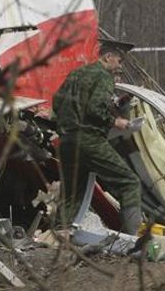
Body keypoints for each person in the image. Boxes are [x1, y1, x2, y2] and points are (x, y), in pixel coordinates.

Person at [53, 38, 143, 234]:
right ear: (108, 56)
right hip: (89, 140)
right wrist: (116, 121)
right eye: (119, 61)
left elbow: (57, 103)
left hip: (67, 141)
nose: (120, 66)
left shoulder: (76, 74)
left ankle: (60, 236)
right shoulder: (103, 77)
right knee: (129, 182)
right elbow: (95, 108)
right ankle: (133, 239)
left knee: (72, 193)